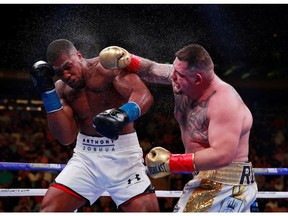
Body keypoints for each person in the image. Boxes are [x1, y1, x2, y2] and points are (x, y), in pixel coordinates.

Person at [99, 44, 258, 212]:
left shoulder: (224, 102)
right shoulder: (182, 80)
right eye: (174, 69)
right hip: (213, 180)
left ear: (197, 79)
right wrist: (129, 60)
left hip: (225, 183)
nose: (172, 76)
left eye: (179, 74)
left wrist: (171, 163)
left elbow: (223, 155)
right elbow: (152, 69)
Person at [29, 39, 160, 212]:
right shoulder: (61, 89)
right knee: (49, 210)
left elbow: (143, 94)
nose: (66, 75)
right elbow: (66, 138)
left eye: (68, 67)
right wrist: (48, 94)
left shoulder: (106, 68)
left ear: (79, 56)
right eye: (59, 73)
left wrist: (123, 114)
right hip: (86, 159)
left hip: (123, 157)